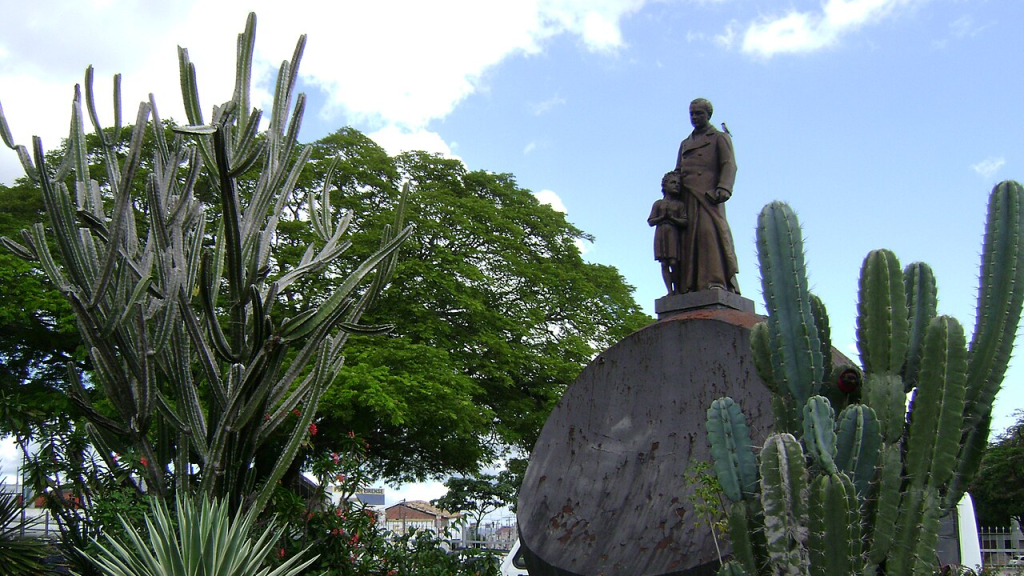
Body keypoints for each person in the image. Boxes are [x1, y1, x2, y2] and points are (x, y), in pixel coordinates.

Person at [675, 98, 740, 293]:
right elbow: (678, 169)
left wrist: (724, 188)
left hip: (709, 196)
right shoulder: (685, 143)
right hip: (687, 197)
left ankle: (716, 280)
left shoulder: (719, 137)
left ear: (708, 115)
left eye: (699, 113)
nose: (694, 117)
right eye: (692, 113)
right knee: (687, 240)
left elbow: (729, 164)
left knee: (709, 235)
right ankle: (691, 285)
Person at [648, 171, 687, 294]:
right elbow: (651, 221)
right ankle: (670, 291)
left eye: (678, 184)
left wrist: (672, 218)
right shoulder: (658, 203)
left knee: (673, 262)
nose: (676, 185)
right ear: (665, 185)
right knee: (664, 263)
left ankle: (677, 288)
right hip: (661, 233)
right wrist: (662, 217)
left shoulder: (680, 205)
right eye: (673, 182)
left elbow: (685, 221)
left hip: (673, 233)